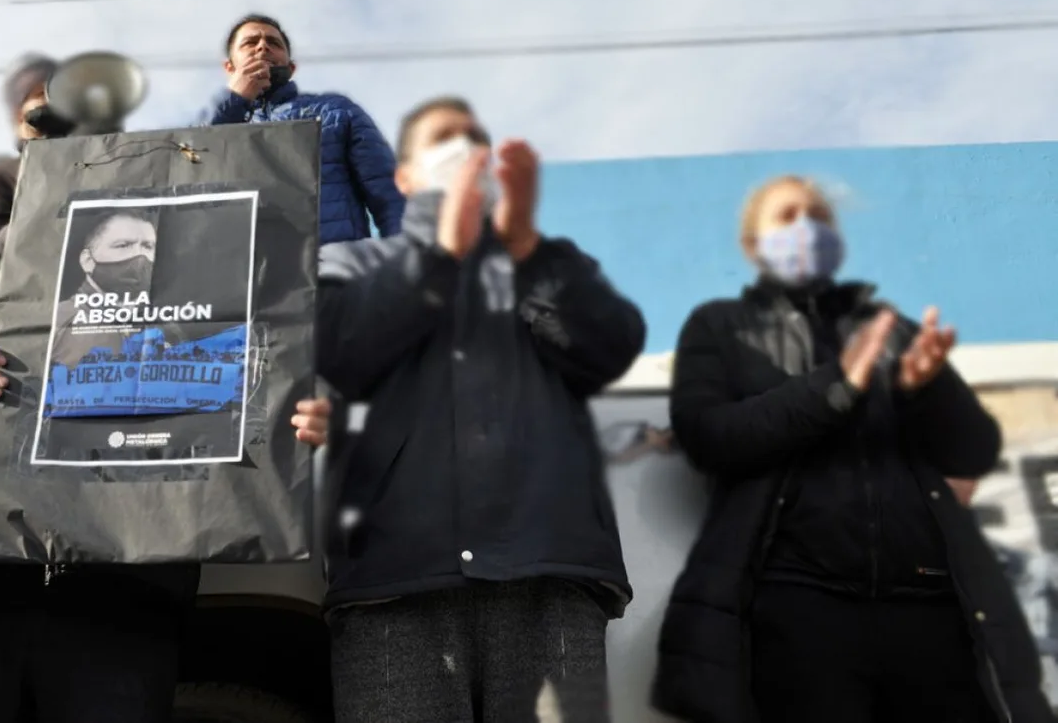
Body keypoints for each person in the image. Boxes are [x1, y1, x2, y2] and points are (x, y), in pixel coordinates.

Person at [651, 174, 1052, 723]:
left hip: (933, 606)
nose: (806, 228)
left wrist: (925, 390)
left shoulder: (890, 327)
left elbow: (974, 452)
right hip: (799, 607)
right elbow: (709, 437)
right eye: (787, 216)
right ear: (752, 245)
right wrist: (836, 385)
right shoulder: (719, 327)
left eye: (817, 215)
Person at [314, 95, 647, 723]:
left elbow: (610, 343)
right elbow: (341, 346)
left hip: (549, 569)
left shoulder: (550, 265)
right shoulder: (349, 263)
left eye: (474, 144)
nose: (463, 154)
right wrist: (441, 252)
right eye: (443, 141)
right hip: (393, 576)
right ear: (405, 178)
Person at [0, 260, 203, 723]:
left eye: (146, 245)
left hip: (120, 599)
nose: (139, 255)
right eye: (122, 245)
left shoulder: (191, 285)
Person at [205, 14, 405, 245]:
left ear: (291, 67)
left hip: (331, 270)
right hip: (243, 275)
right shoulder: (213, 124)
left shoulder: (336, 111)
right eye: (250, 42)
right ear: (229, 67)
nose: (263, 46)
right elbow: (186, 168)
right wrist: (233, 100)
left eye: (274, 43)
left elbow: (389, 195)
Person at [0, 53, 59, 262]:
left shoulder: (92, 162)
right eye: (29, 94)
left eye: (49, 89)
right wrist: (37, 230)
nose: (42, 100)